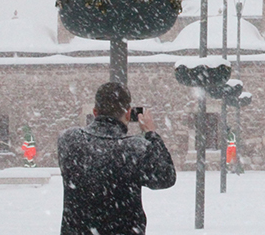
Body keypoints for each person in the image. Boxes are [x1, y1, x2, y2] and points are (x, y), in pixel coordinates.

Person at [57, 82, 176, 235]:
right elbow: (166, 177)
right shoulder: (136, 148)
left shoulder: (69, 140)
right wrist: (151, 134)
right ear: (128, 113)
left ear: (95, 112)